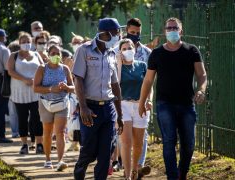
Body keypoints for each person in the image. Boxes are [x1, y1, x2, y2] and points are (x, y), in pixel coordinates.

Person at [139, 17, 207, 180]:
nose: (171, 31)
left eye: (174, 28)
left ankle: (181, 174)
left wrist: (202, 90)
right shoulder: (157, 53)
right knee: (169, 141)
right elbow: (148, 80)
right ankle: (172, 177)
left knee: (189, 144)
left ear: (181, 31)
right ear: (164, 32)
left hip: (187, 104)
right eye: (168, 28)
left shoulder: (192, 51)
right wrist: (142, 102)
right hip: (164, 104)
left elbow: (202, 74)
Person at [72, 18, 124, 180]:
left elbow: (115, 86)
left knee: (106, 150)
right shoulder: (84, 50)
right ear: (106, 33)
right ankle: (79, 172)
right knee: (89, 150)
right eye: (116, 33)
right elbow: (78, 80)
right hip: (90, 109)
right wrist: (83, 107)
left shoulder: (111, 54)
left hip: (108, 109)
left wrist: (120, 115)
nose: (119, 36)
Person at [112, 17, 153, 177]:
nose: (128, 49)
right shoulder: (117, 66)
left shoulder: (142, 65)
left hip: (140, 105)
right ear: (120, 50)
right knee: (126, 142)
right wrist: (119, 61)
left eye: (130, 48)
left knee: (138, 143)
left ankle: (136, 169)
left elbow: (149, 84)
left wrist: (148, 100)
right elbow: (115, 83)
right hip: (123, 106)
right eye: (124, 48)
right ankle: (127, 174)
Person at [33, 45, 75, 170]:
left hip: (62, 103)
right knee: (47, 132)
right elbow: (35, 87)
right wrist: (51, 89)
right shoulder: (42, 68)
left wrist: (66, 87)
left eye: (57, 53)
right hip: (46, 104)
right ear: (48, 54)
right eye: (52, 53)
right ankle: (48, 160)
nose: (55, 55)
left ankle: (60, 161)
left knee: (60, 132)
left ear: (61, 55)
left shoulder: (65, 69)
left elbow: (73, 87)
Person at [7, 32, 44, 154]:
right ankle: (24, 144)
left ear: (32, 42)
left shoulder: (36, 54)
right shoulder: (14, 56)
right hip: (19, 93)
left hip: (36, 92)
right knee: (22, 119)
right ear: (19, 43)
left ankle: (39, 144)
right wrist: (24, 79)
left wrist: (37, 80)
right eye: (23, 42)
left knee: (37, 119)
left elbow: (43, 68)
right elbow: (10, 71)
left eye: (28, 41)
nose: (26, 44)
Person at [7, 41, 21, 138]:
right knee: (22, 111)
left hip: (11, 88)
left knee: (13, 112)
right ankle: (21, 131)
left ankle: (14, 132)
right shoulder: (23, 59)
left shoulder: (8, 59)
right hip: (22, 88)